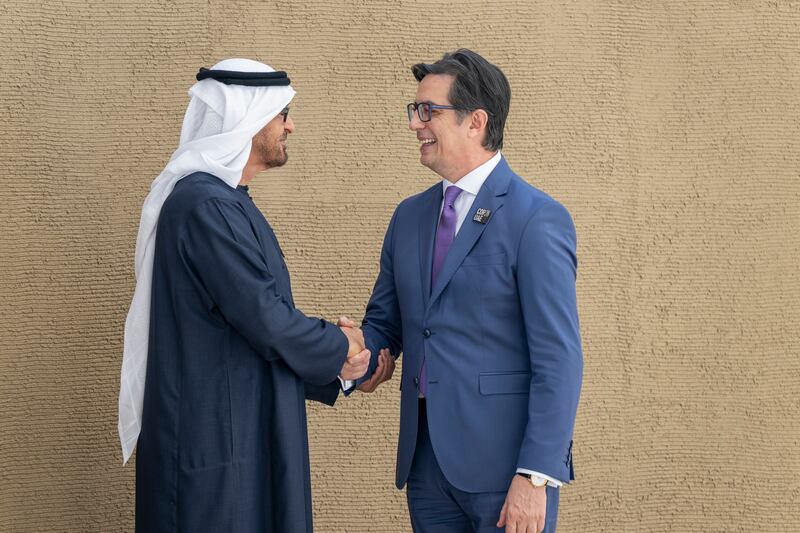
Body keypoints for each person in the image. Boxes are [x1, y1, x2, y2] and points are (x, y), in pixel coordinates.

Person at [117, 58, 370, 533]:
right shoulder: (206, 206)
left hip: (238, 440)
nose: (291, 126)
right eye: (282, 114)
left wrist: (339, 371)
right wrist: (341, 350)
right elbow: (266, 319)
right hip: (216, 452)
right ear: (247, 119)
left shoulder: (225, 202)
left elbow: (253, 328)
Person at [344, 49, 583, 533]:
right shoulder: (407, 217)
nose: (416, 123)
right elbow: (387, 325)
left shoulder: (537, 218)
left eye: (428, 111)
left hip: (505, 472)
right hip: (426, 469)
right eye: (415, 110)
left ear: (476, 121)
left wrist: (535, 477)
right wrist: (358, 359)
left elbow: (559, 358)